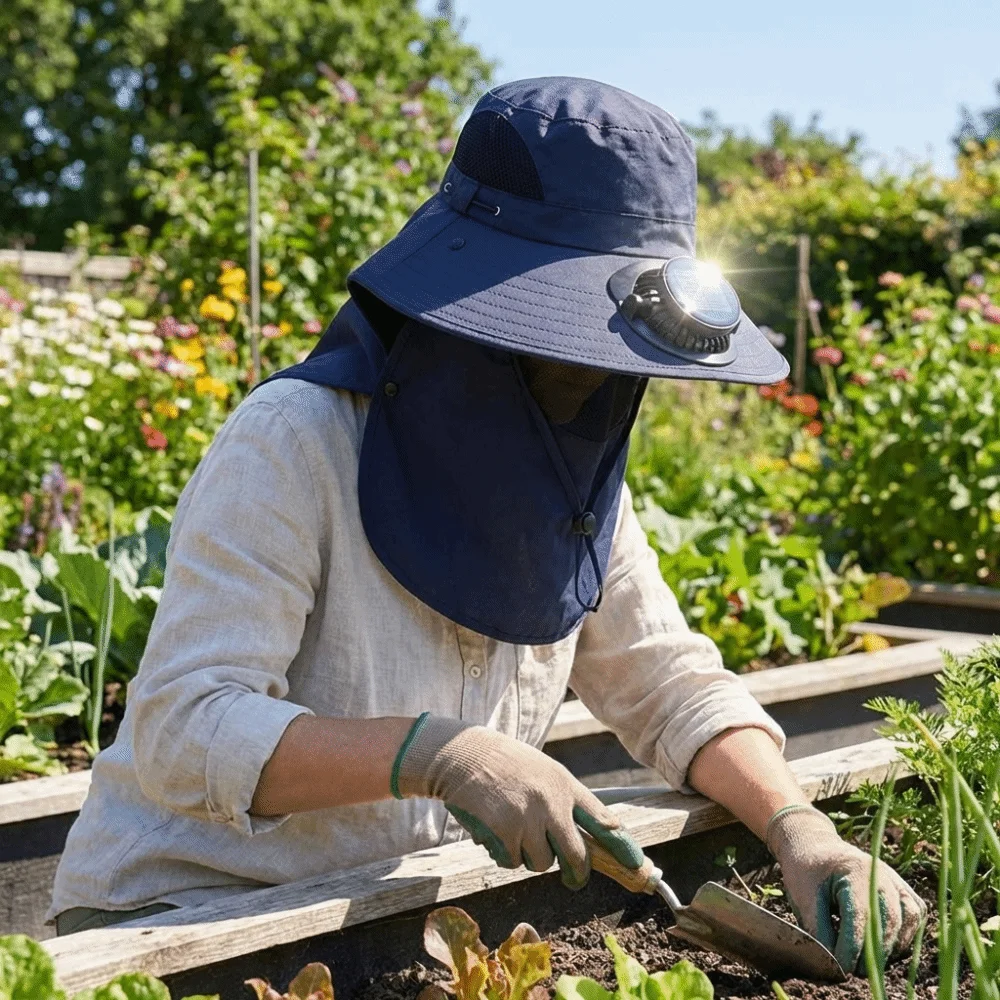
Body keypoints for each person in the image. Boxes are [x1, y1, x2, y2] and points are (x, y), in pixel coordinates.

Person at [50, 76, 923, 973]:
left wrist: (800, 828)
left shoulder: (579, 484)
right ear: (475, 317)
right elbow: (185, 728)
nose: (592, 387)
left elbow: (670, 683)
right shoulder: (297, 440)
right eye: (567, 354)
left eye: (613, 366)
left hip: (385, 922)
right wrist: (439, 753)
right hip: (180, 920)